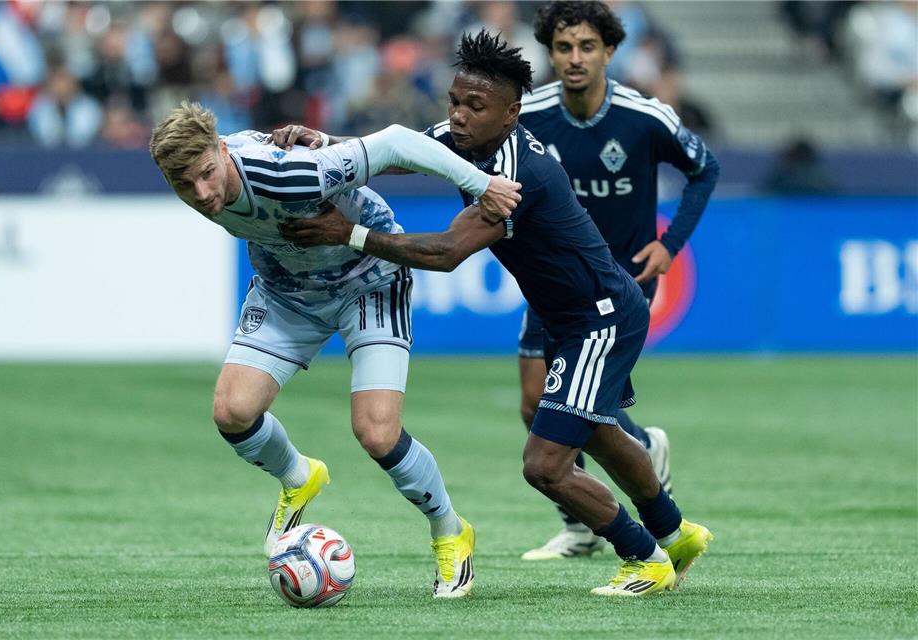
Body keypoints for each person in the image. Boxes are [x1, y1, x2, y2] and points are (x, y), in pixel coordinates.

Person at [283, 30, 713, 597]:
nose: (458, 116)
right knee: (600, 434)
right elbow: (399, 152)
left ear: (511, 114)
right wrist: (324, 142)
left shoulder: (516, 176)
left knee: (545, 466)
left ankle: (645, 558)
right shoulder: (467, 138)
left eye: (475, 106)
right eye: (454, 102)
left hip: (599, 317)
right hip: (571, 316)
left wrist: (350, 233)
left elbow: (445, 253)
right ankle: (676, 534)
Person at [148, 101, 521, 599]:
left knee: (377, 433)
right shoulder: (207, 172)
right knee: (232, 412)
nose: (202, 194)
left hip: (369, 280)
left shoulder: (287, 175)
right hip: (288, 293)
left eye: (206, 174)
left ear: (221, 150)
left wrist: (482, 184)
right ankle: (298, 476)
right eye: (184, 185)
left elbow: (395, 141)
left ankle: (450, 530)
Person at [515, 0, 719, 560]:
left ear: (609, 51)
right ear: (550, 52)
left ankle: (638, 491)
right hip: (553, 279)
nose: (575, 58)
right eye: (563, 47)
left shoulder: (643, 116)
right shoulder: (529, 115)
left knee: (579, 402)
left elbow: (705, 168)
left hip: (618, 284)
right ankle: (591, 512)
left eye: (587, 46)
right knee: (535, 403)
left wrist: (670, 244)